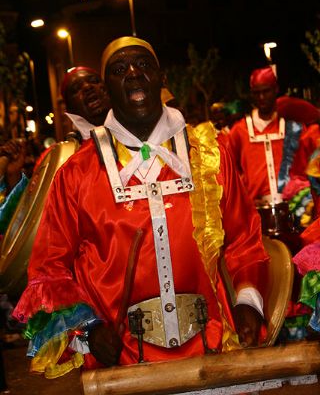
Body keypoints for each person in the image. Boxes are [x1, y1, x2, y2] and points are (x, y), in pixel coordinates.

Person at [13, 36, 269, 379]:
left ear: (161, 78)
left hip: (214, 347)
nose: (133, 73)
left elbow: (244, 241)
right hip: (120, 360)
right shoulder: (75, 174)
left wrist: (248, 301)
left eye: (144, 65)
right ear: (107, 88)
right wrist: (86, 330)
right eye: (120, 69)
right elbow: (48, 270)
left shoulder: (209, 155)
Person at [228, 66, 304, 207]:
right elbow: (231, 171)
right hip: (256, 209)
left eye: (266, 91)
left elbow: (305, 165)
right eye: (256, 93)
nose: (261, 97)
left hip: (294, 206)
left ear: (276, 89)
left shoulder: (292, 126)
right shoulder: (239, 131)